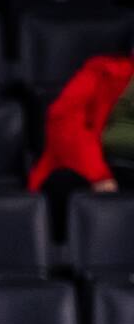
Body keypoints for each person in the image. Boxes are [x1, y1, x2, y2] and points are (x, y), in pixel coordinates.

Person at [28, 51, 134, 232]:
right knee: (63, 187)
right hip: (92, 169)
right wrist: (99, 175)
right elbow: (63, 120)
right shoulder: (103, 73)